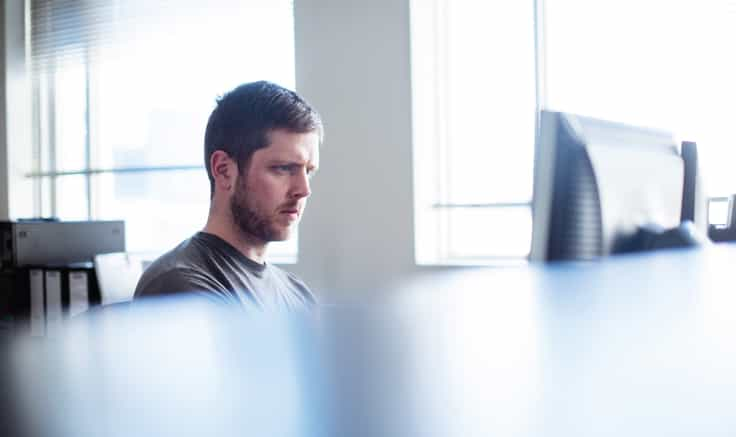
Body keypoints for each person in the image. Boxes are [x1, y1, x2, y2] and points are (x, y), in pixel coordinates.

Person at [134, 81, 322, 312]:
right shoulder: (178, 286)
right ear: (224, 170)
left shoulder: (298, 294)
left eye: (309, 171)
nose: (303, 189)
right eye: (283, 168)